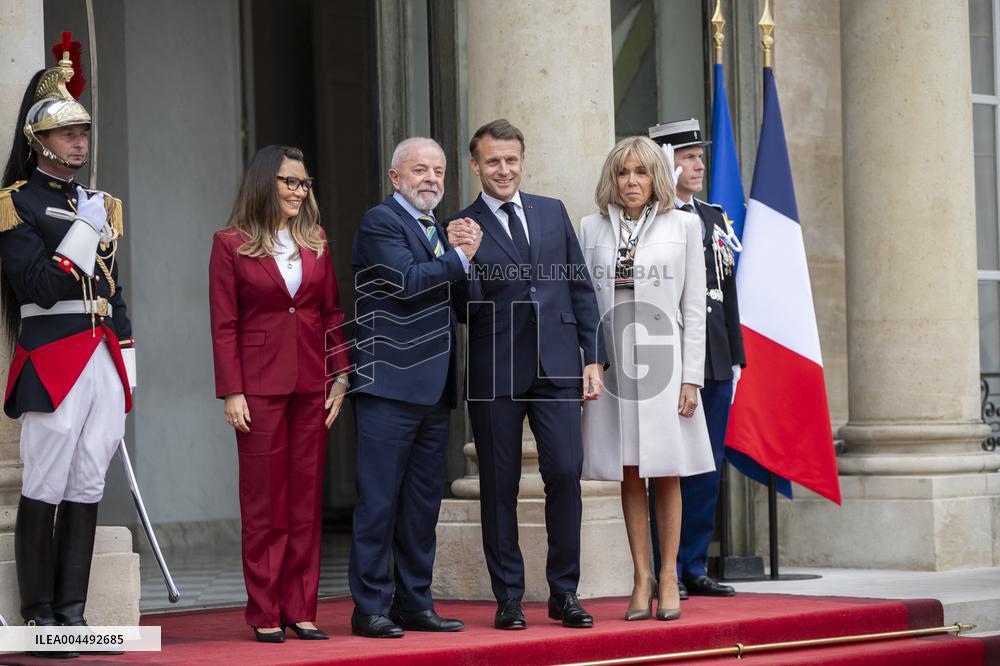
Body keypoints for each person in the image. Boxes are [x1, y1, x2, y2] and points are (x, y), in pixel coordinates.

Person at [0, 40, 135, 658]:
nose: (79, 143)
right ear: (40, 142)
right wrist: (81, 228)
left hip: (102, 352)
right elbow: (39, 286)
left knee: (87, 481)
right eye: (67, 134)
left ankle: (73, 614)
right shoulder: (18, 202)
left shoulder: (101, 202)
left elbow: (110, 287)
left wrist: (127, 352)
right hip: (54, 355)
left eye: (83, 132)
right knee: (47, 481)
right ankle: (38, 616)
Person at [451, 119, 606, 631]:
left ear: (522, 160)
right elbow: (461, 308)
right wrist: (464, 261)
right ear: (476, 165)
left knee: (564, 470)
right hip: (496, 366)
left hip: (559, 364)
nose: (503, 169)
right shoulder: (461, 225)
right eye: (492, 161)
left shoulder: (552, 211)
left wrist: (592, 356)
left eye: (511, 159)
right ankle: (509, 598)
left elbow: (580, 287)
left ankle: (564, 593)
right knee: (500, 484)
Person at [209, 145, 349, 642]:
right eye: (290, 182)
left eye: (304, 183)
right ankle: (265, 610)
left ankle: (300, 608)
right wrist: (232, 390)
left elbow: (331, 312)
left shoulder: (316, 240)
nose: (299, 191)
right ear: (265, 183)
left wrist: (340, 375)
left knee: (304, 500)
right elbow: (224, 323)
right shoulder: (230, 243)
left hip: (312, 382)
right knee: (265, 501)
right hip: (259, 388)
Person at [579, 135, 714, 621]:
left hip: (667, 361)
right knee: (629, 470)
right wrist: (588, 360)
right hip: (615, 363)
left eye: (640, 172)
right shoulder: (589, 227)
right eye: (622, 172)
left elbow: (694, 307)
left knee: (667, 469)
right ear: (612, 179)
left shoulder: (684, 225)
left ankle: (669, 574)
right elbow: (582, 303)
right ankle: (639, 577)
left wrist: (691, 378)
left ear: (656, 176)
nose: (631, 181)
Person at [348, 137, 478, 639]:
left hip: (434, 387)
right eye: (420, 169)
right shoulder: (381, 222)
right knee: (379, 502)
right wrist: (461, 255)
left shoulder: (442, 233)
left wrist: (470, 261)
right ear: (395, 177)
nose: (431, 179)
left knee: (422, 505)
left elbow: (465, 303)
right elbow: (406, 281)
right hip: (388, 386)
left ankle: (415, 602)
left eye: (439, 171)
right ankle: (371, 607)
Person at [648, 119, 746, 600]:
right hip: (668, 359)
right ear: (665, 162)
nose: (699, 164)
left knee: (707, 464)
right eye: (687, 156)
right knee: (667, 463)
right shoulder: (650, 218)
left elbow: (725, 292)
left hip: (713, 357)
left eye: (700, 156)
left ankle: (692, 565)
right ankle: (660, 565)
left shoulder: (714, 216)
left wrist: (737, 357)